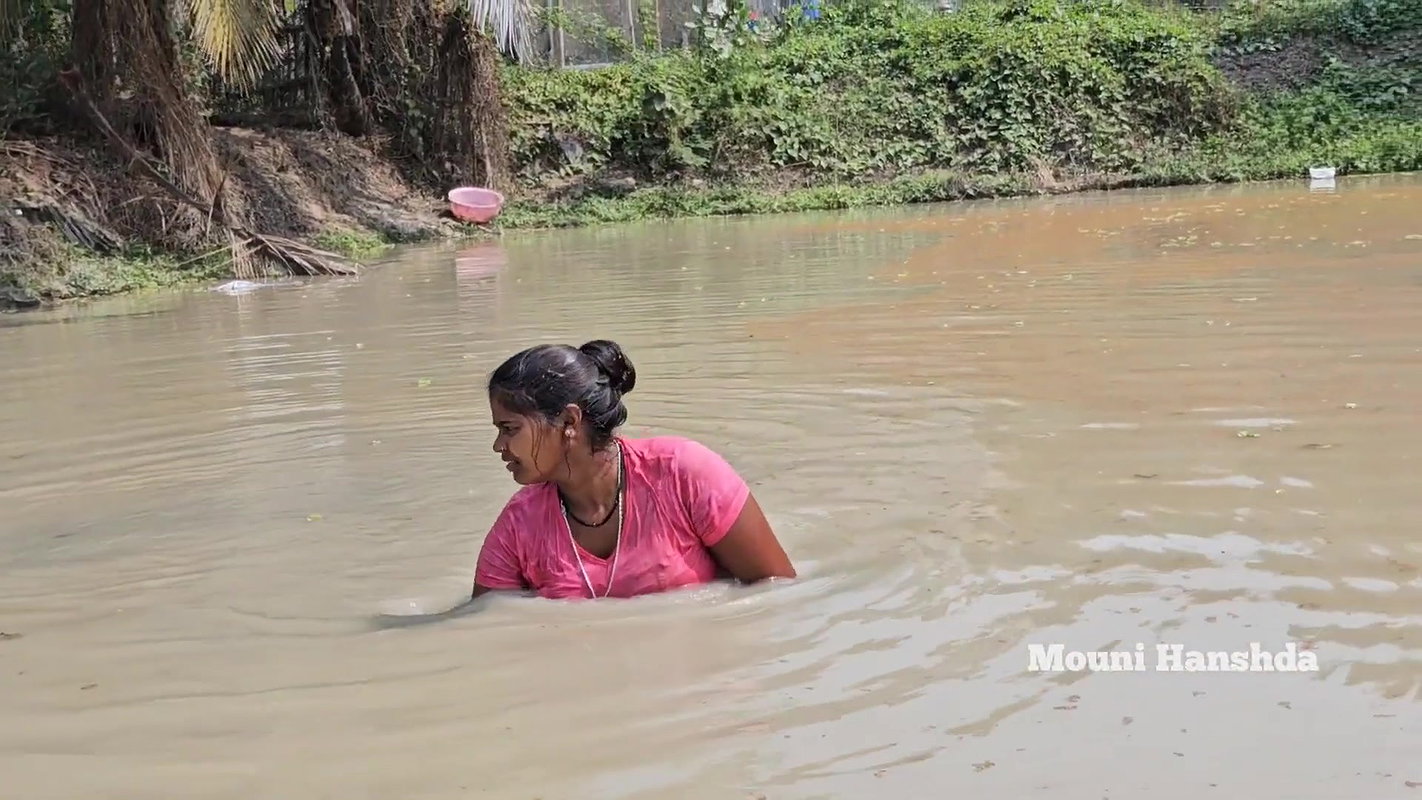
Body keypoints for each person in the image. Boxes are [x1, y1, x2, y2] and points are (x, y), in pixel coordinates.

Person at [471, 340, 796, 600]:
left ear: (569, 422)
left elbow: (777, 590)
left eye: (509, 428)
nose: (499, 446)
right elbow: (486, 628)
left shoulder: (683, 473)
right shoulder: (519, 524)